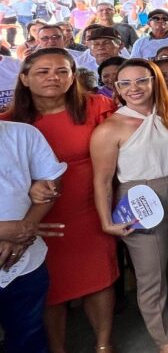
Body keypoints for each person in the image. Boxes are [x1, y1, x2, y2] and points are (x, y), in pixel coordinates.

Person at [89, 59, 168, 352]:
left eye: (141, 81)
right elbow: (102, 180)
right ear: (118, 89)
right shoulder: (110, 128)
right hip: (138, 200)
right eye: (125, 83)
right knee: (151, 274)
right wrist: (106, 221)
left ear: (154, 80)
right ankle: (163, 338)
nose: (134, 88)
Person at [1, 48, 119, 353]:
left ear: (73, 76)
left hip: (91, 208)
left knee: (98, 278)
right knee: (52, 289)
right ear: (24, 78)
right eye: (43, 71)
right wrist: (29, 197)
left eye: (62, 71)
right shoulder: (10, 123)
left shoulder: (98, 106)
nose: (53, 77)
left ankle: (103, 345)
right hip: (39, 219)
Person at [0, 108, 66, 352]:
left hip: (24, 260)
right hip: (20, 242)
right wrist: (7, 230)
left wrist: (25, 230)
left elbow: (51, 183)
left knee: (28, 335)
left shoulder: (23, 134)